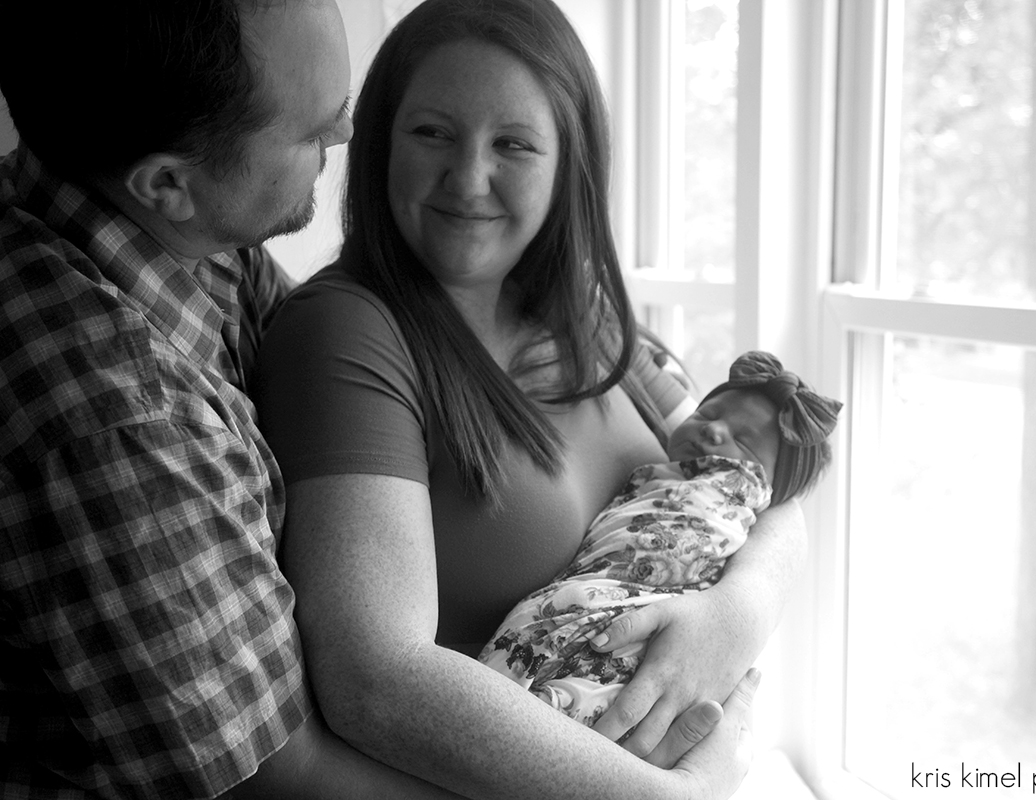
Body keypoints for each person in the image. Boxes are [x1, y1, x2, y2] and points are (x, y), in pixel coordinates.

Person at [251, 0, 803, 798]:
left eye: (513, 144)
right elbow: (375, 677)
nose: (468, 178)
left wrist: (733, 618)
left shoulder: (585, 313)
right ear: (378, 146)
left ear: (566, 162)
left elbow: (766, 488)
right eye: (432, 133)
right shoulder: (345, 331)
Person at [0, 2, 479, 797]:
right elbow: (282, 777)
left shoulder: (179, 236)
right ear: (167, 182)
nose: (345, 138)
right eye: (310, 131)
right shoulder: (116, 421)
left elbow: (336, 356)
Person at [479, 351, 842, 726]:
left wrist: (737, 612)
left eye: (744, 443)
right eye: (707, 414)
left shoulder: (616, 343)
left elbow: (783, 508)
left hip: (656, 629)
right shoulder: (657, 478)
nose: (713, 430)